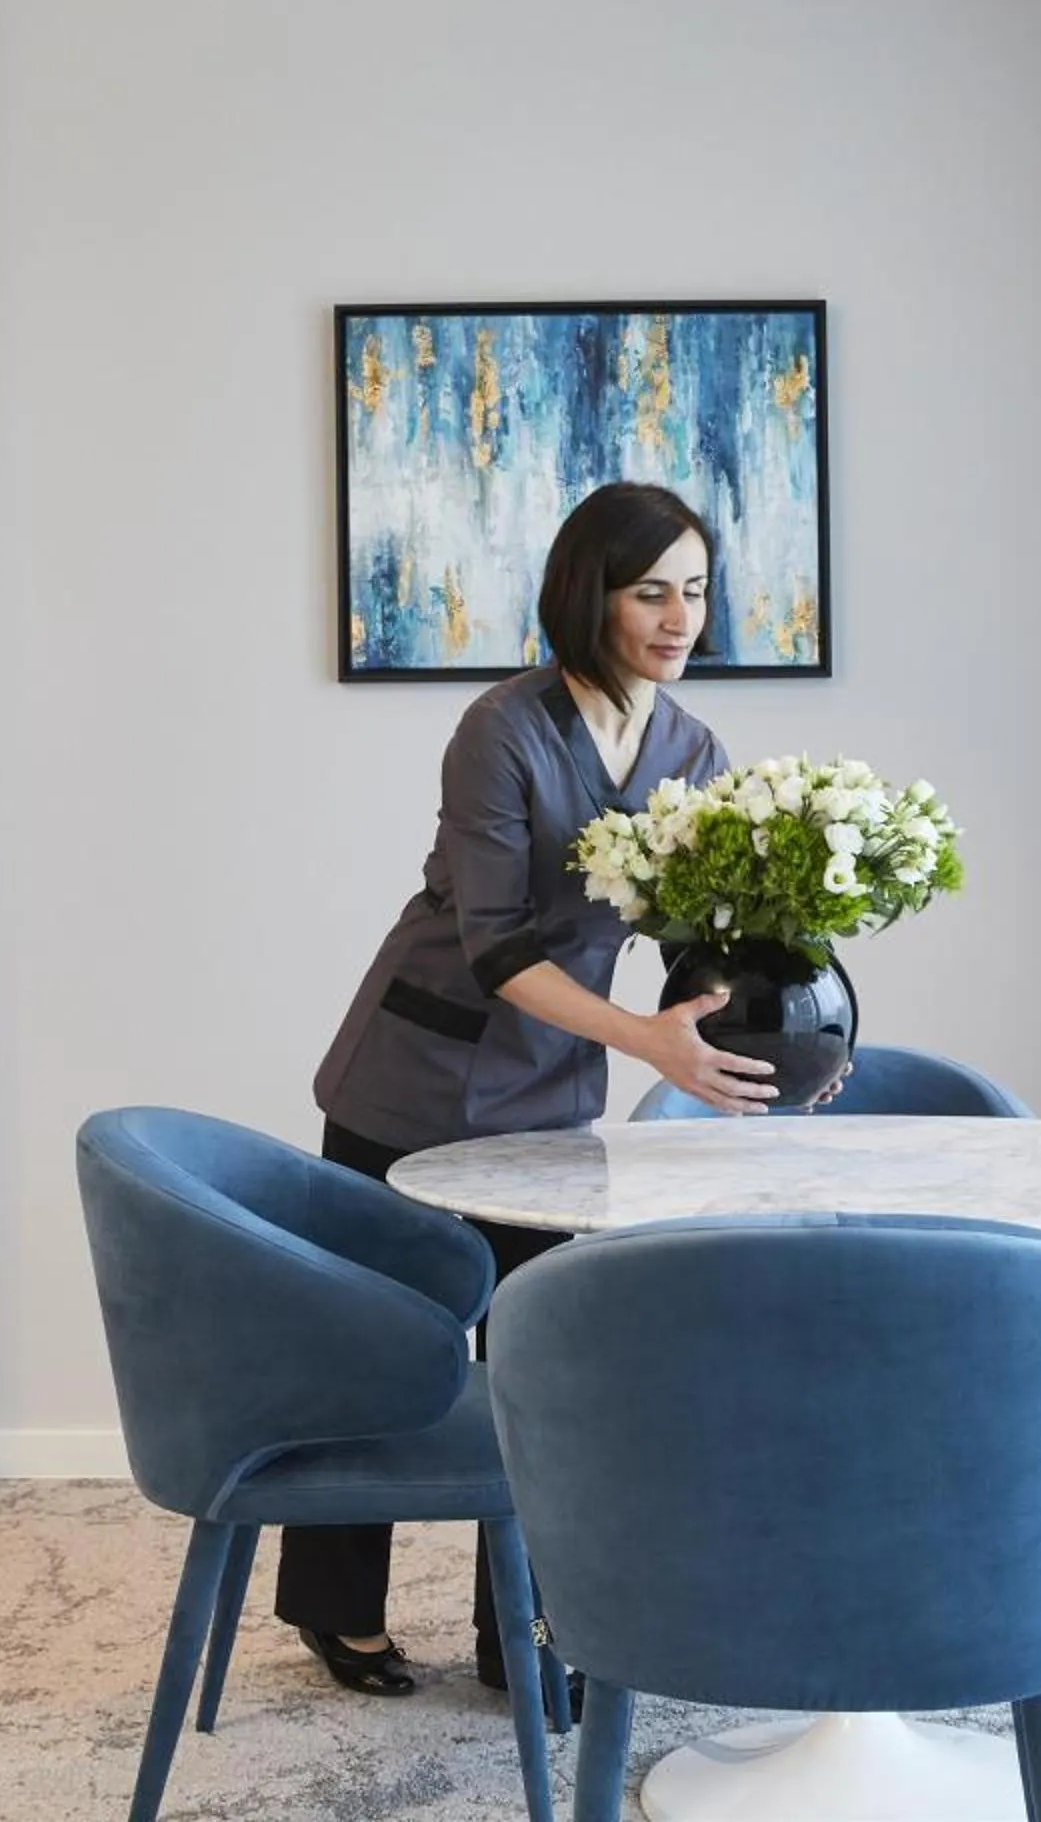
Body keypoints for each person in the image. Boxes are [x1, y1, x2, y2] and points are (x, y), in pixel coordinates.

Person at [278, 481, 785, 1699]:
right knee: (385, 1351)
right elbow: (500, 944)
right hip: (413, 1075)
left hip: (552, 1089)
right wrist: (644, 1042)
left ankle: (531, 1630)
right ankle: (336, 1610)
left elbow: (688, 935)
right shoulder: (501, 727)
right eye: (651, 588)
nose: (679, 616)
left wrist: (782, 1023)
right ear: (590, 593)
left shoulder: (690, 749)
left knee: (544, 1360)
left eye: (697, 590)